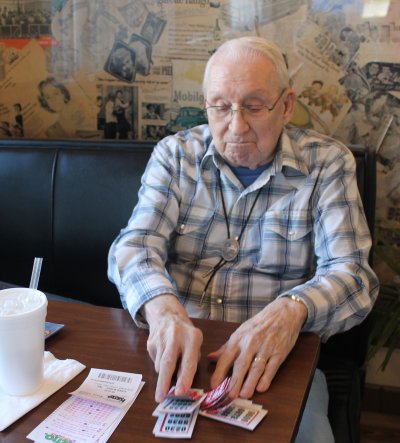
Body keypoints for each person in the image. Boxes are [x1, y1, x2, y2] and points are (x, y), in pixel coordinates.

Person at [108, 37, 379, 442]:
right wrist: (163, 311)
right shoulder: (175, 156)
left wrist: (292, 310)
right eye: (220, 107)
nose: (235, 126)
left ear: (286, 105)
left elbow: (353, 275)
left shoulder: (326, 163)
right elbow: (134, 247)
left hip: (277, 361)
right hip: (178, 351)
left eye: (254, 106)